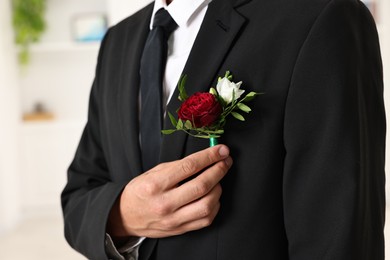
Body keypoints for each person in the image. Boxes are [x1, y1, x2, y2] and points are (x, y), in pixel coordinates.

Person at [61, 0, 386, 259]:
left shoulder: (320, 15)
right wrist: (122, 216)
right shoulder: (118, 41)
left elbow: (339, 236)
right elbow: (79, 195)